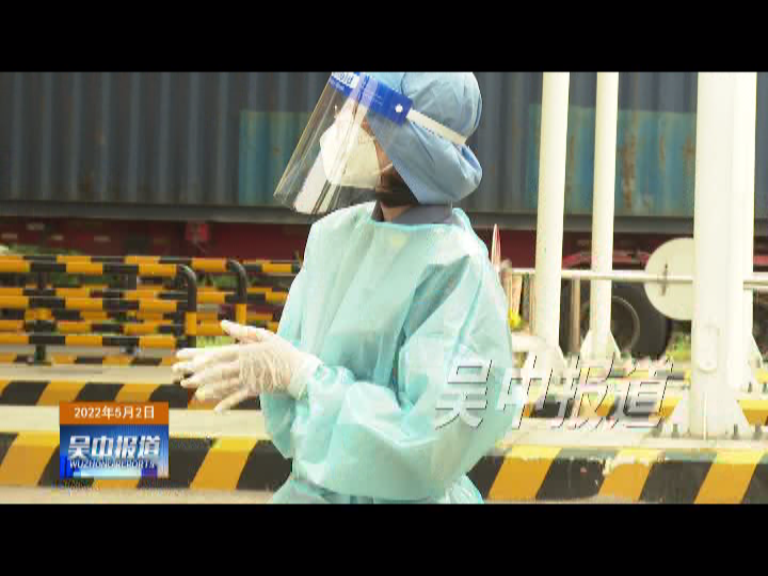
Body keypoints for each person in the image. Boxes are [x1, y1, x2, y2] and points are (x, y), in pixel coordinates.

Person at [173, 72, 528, 504]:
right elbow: (295, 426)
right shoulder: (333, 238)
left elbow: (430, 447)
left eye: (361, 115)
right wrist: (279, 374)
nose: (342, 123)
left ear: (412, 142)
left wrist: (306, 379)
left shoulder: (456, 270)